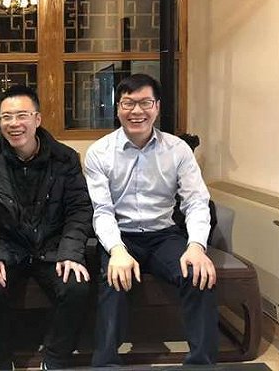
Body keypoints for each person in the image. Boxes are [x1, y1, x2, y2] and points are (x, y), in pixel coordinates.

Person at [85, 73, 219, 366]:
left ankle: (201, 364)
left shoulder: (177, 149)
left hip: (163, 235)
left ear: (157, 107)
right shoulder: (99, 152)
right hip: (121, 236)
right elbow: (102, 211)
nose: (137, 111)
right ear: (118, 108)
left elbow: (197, 202)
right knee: (112, 280)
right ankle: (105, 363)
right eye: (128, 103)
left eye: (145, 102)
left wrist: (197, 246)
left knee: (198, 274)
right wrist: (117, 251)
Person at [0, 85, 94, 370]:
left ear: (37, 119)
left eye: (22, 115)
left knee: (76, 287)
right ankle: (1, 363)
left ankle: (55, 359)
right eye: (6, 117)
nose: (14, 123)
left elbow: (79, 209)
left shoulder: (64, 158)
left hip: (51, 246)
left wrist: (70, 253)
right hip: (7, 246)